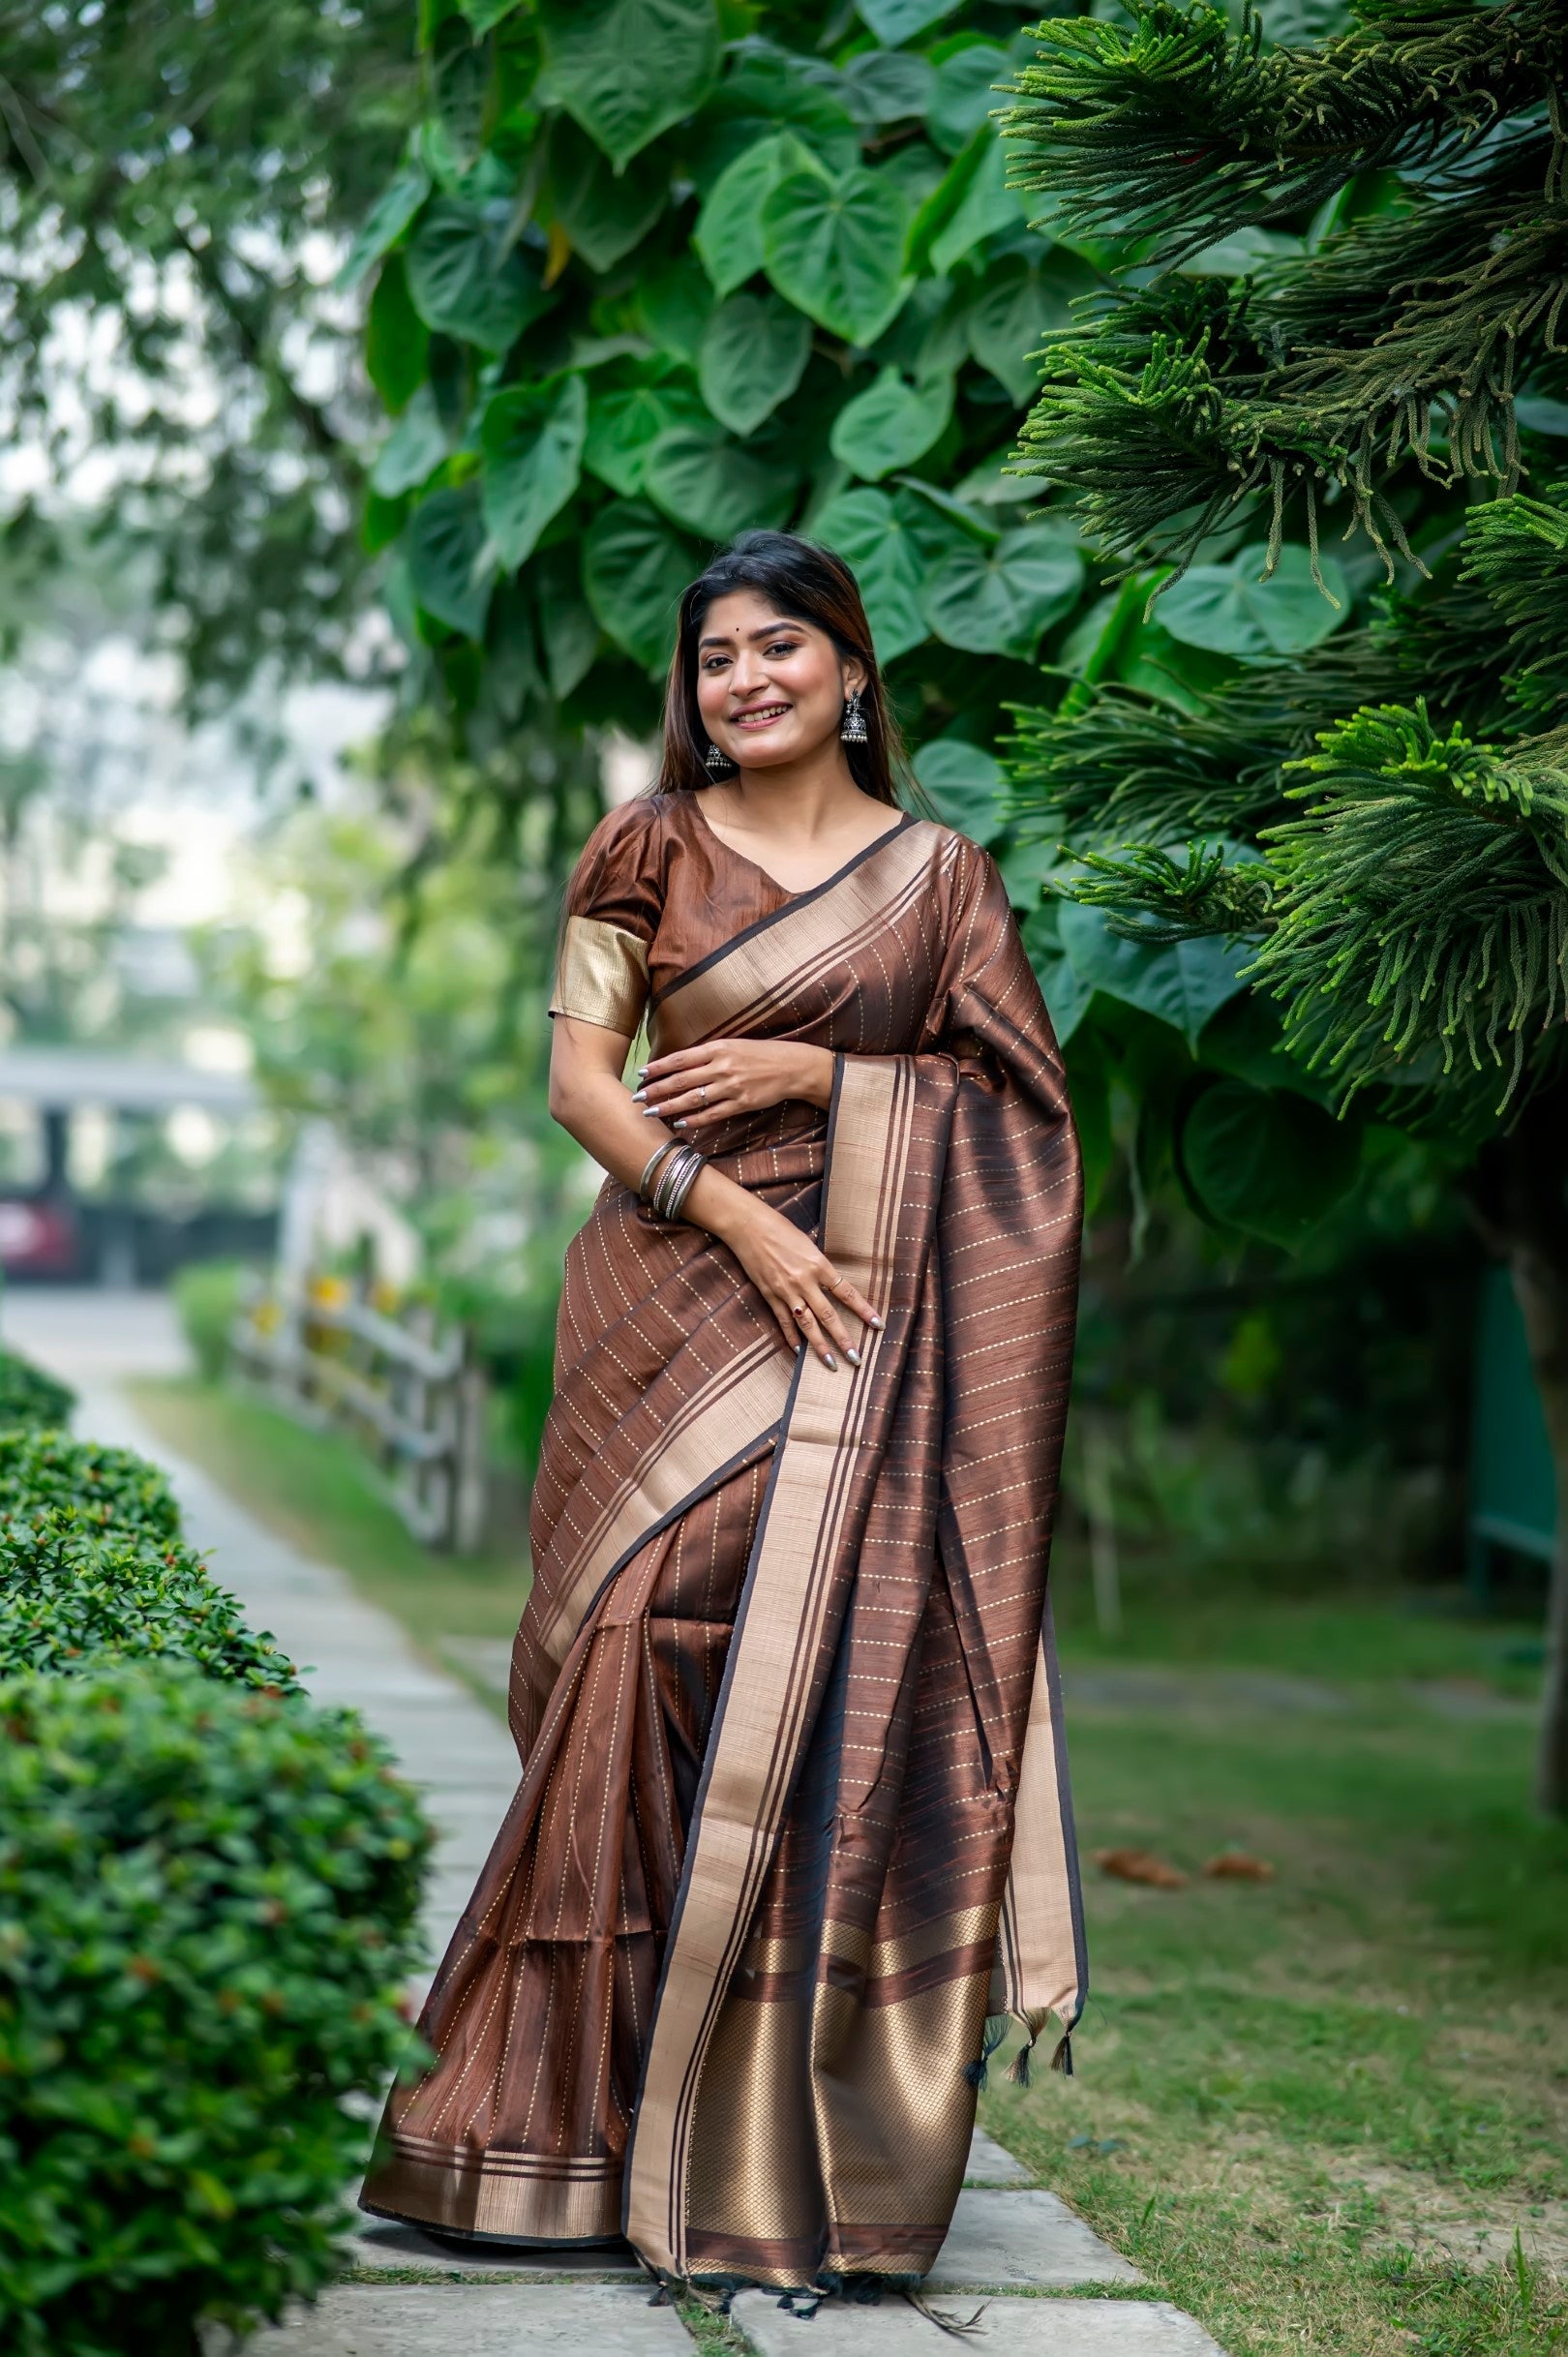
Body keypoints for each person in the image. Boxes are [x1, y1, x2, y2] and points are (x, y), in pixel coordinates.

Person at [361, 529, 1086, 2297]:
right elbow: (575, 1084)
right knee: (623, 1641)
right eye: (714, 661)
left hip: (856, 1324)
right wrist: (742, 1205)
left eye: (781, 648)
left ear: (853, 670)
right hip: (673, 1293)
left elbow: (1027, 1131)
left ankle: (755, 2130)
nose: (744, 681)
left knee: (793, 1665)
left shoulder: (943, 885)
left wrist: (824, 1078)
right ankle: (545, 2130)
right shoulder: (650, 845)